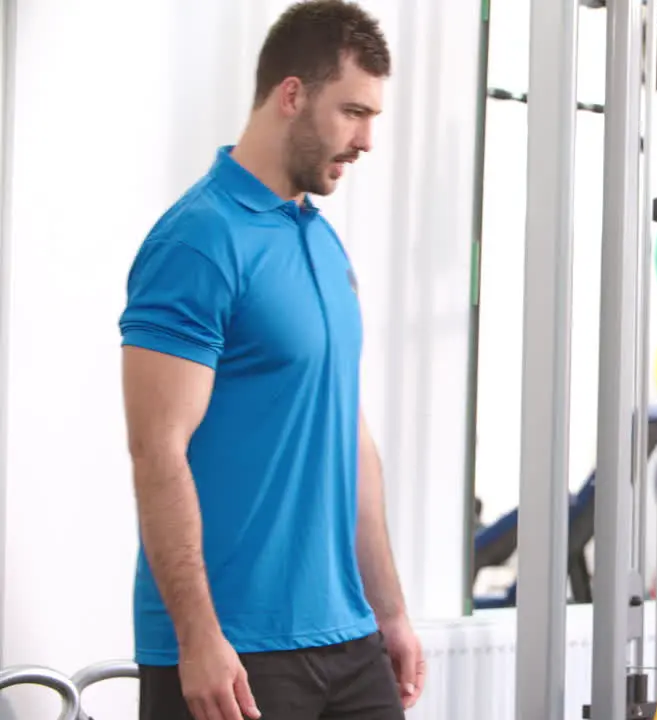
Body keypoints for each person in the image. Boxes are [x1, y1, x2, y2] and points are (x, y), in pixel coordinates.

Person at [118, 2, 424, 719]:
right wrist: (198, 637)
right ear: (292, 95)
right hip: (234, 654)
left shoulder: (320, 242)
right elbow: (156, 449)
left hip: (349, 641)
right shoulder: (198, 240)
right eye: (353, 111)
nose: (368, 140)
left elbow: (350, 438)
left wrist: (393, 613)